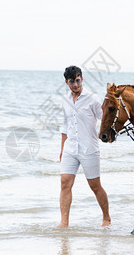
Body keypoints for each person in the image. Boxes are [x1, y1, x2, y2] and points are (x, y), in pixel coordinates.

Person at [57, 65, 111, 228]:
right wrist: (62, 148)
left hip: (89, 148)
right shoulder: (65, 99)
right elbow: (65, 125)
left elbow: (105, 118)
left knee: (95, 186)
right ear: (66, 82)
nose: (76, 84)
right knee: (65, 182)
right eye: (72, 81)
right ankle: (64, 222)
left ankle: (106, 218)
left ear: (82, 79)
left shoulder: (93, 98)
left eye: (78, 80)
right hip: (70, 148)